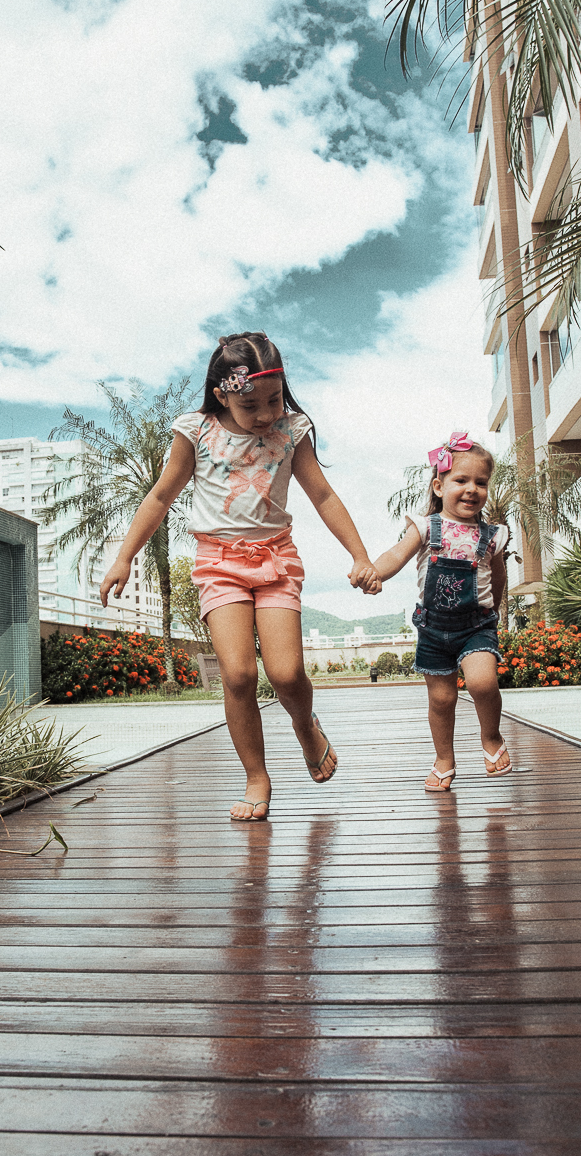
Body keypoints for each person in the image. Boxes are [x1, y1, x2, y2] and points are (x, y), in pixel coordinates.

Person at [100, 331, 379, 820]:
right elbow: (161, 496)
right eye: (252, 404)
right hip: (219, 563)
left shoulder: (292, 431)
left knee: (288, 673)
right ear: (221, 393)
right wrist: (125, 556)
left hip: (275, 559)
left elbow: (324, 496)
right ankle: (256, 775)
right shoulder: (196, 432)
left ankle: (304, 725)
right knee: (238, 674)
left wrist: (359, 555)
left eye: (274, 399)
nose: (266, 413)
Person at [370, 432, 512, 787]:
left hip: (476, 626)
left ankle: (491, 736)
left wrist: (492, 613)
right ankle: (444, 758)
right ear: (438, 486)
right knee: (442, 699)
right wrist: (374, 571)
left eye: (481, 482)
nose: (472, 489)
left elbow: (498, 579)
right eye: (461, 480)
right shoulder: (424, 527)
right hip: (433, 629)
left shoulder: (493, 536)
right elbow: (396, 556)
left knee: (481, 682)